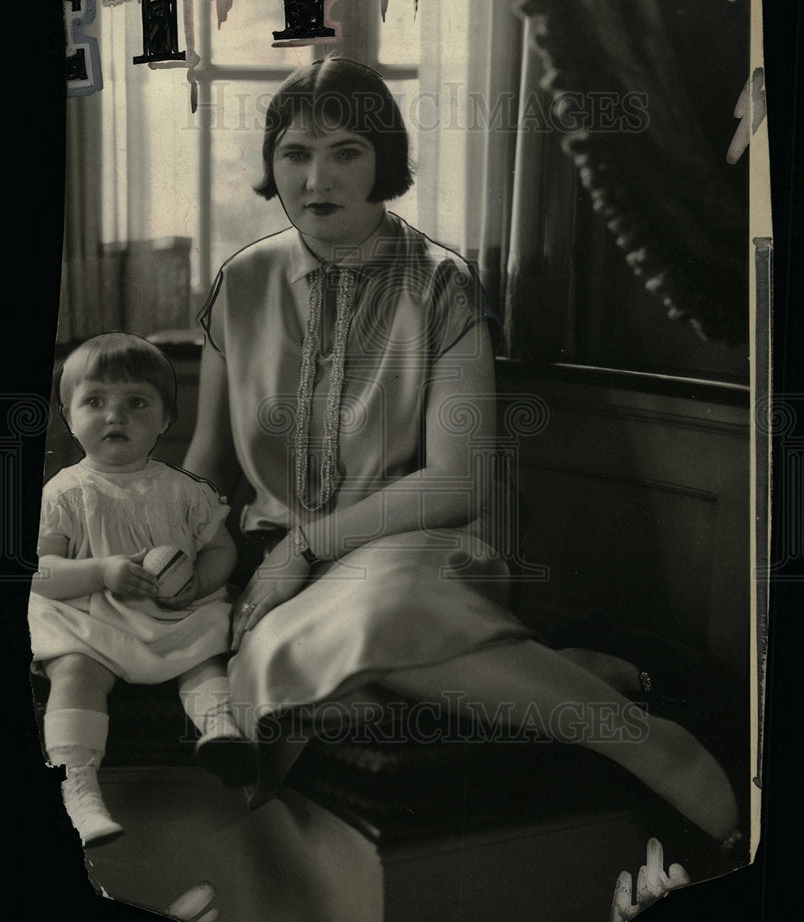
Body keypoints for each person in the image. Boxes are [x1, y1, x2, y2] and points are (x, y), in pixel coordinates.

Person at [184, 57, 740, 846]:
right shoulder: (240, 283)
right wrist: (157, 543)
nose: (317, 177)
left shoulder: (442, 284)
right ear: (273, 166)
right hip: (284, 563)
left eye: (346, 151)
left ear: (384, 160)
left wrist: (307, 546)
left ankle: (654, 745)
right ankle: (584, 676)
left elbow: (453, 484)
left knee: (375, 612)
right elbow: (206, 461)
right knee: (306, 659)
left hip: (424, 546)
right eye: (295, 154)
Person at [30, 332, 252, 848]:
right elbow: (38, 571)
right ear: (68, 417)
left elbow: (220, 550)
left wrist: (200, 581)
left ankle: (220, 730)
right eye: (95, 402)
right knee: (75, 671)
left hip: (171, 609)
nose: (115, 416)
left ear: (165, 419)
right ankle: (76, 788)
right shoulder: (65, 492)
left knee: (207, 651)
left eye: (136, 403)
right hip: (91, 613)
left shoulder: (184, 489)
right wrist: (102, 571)